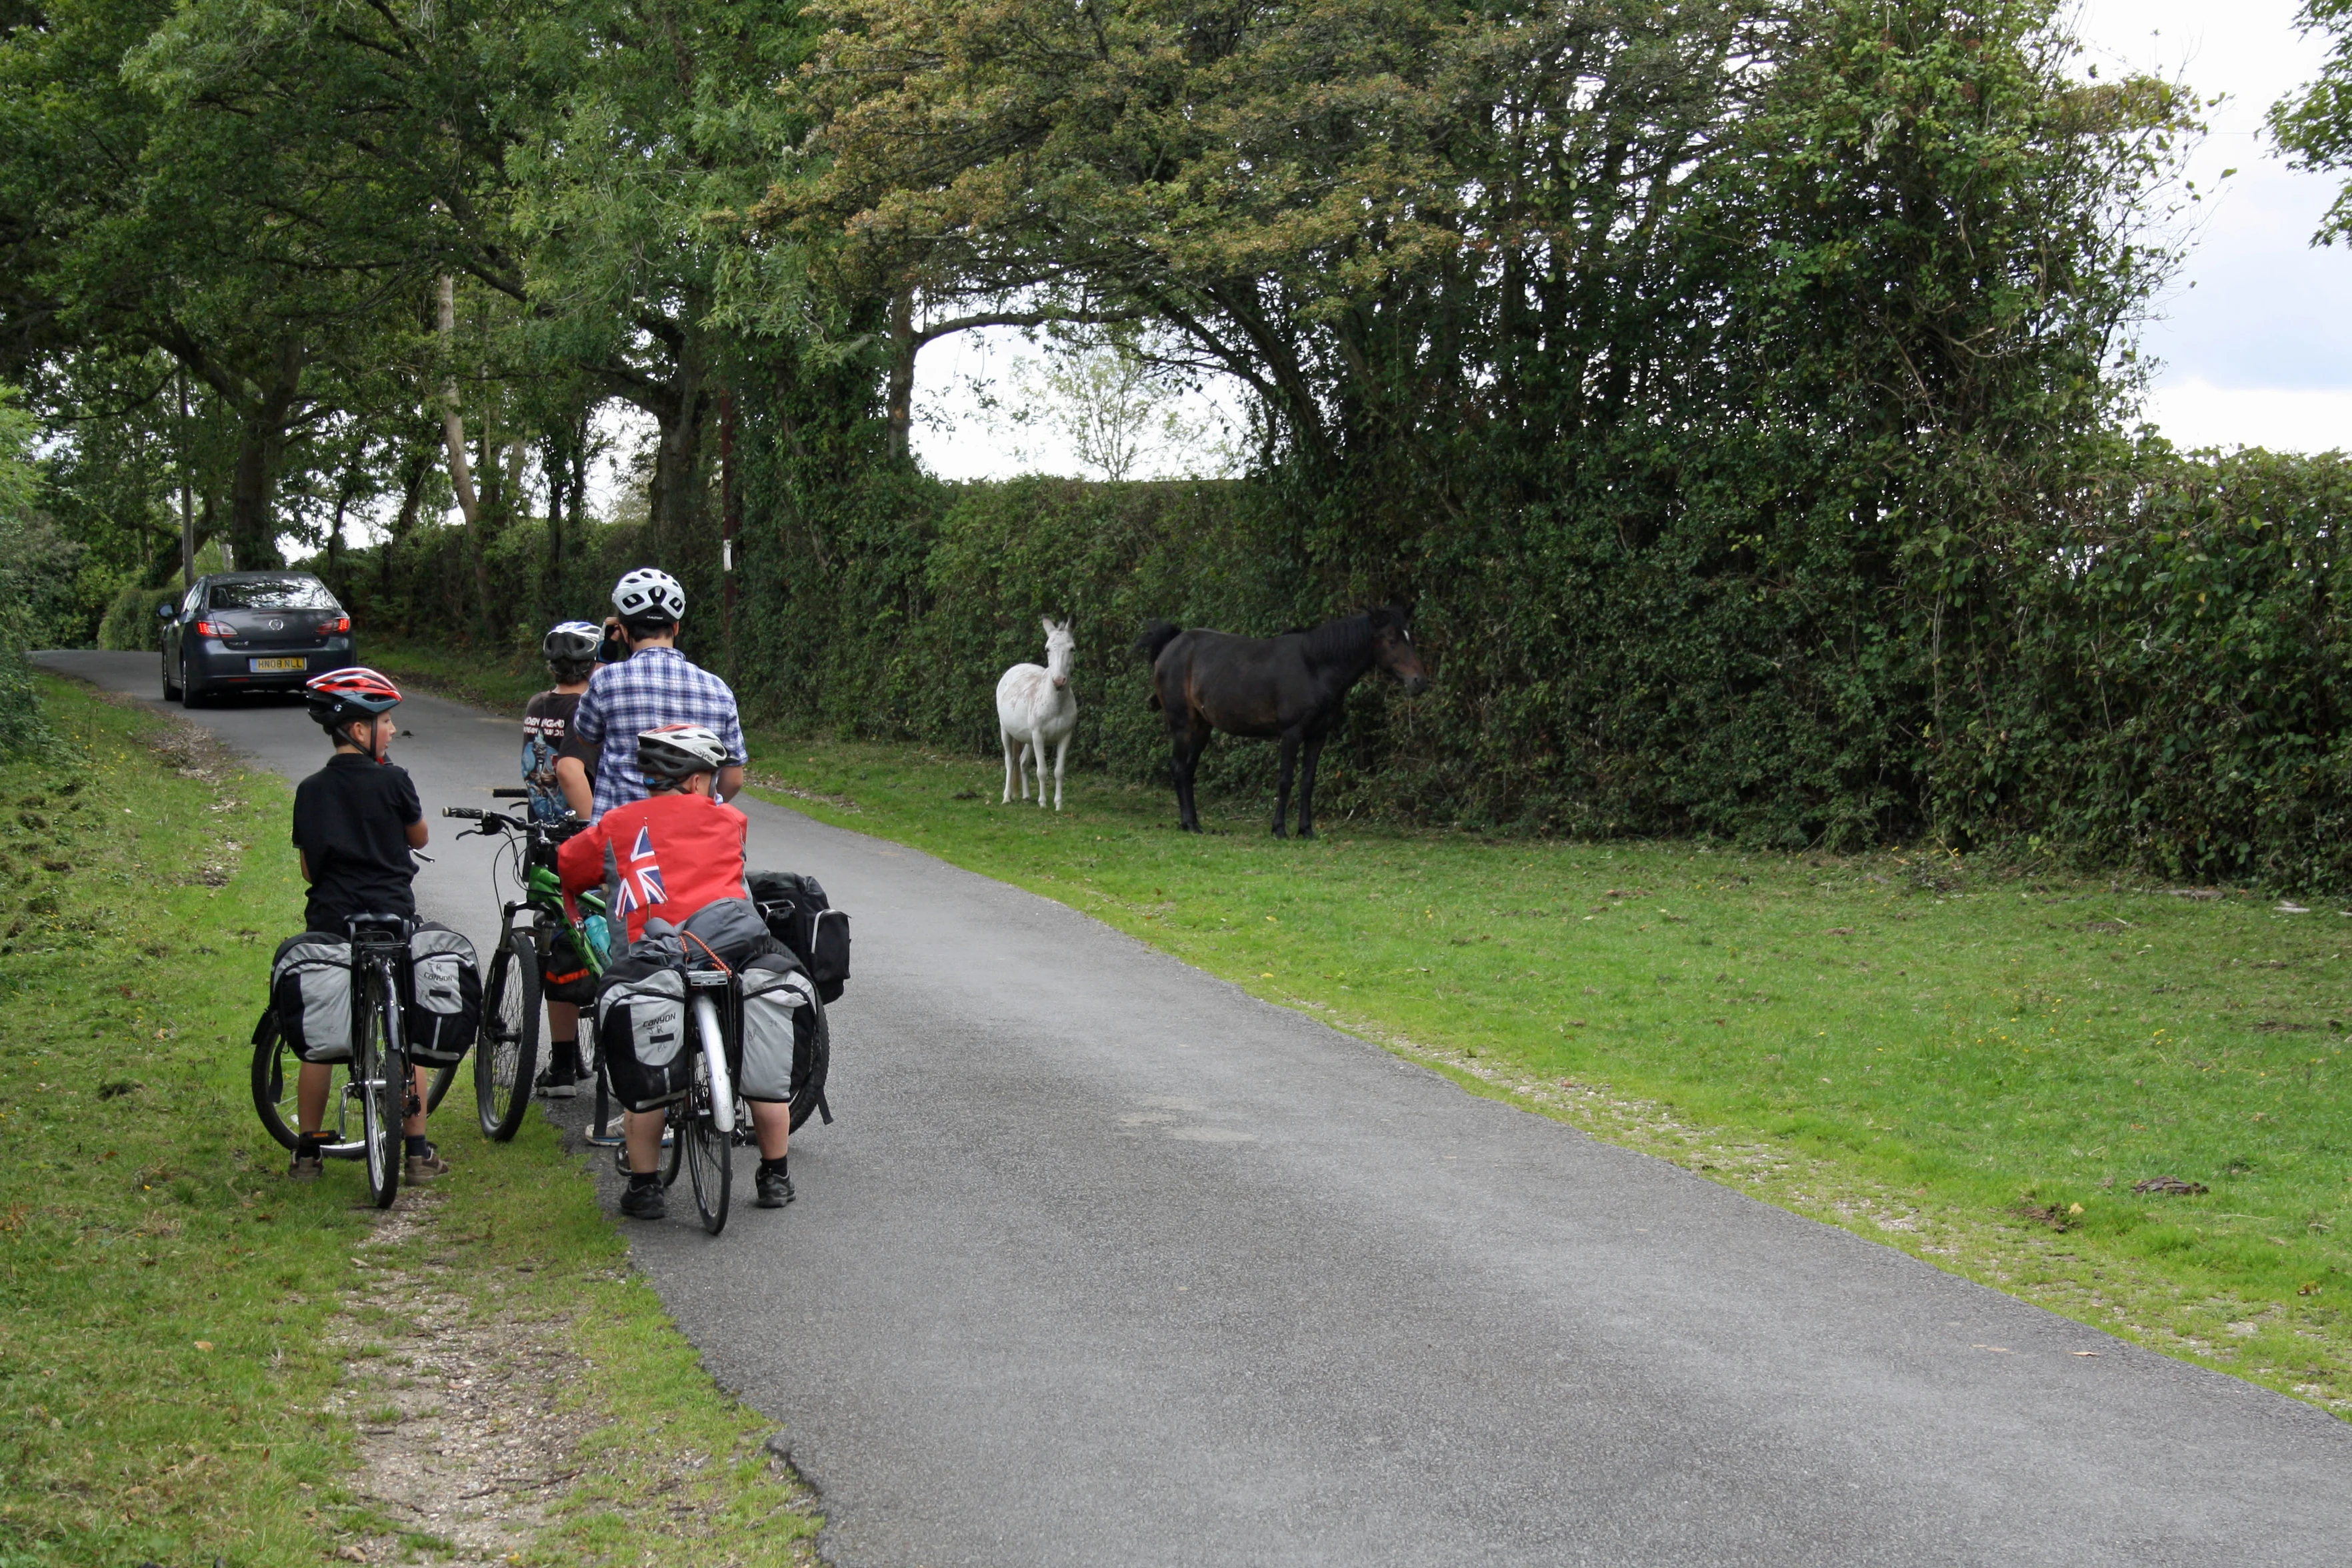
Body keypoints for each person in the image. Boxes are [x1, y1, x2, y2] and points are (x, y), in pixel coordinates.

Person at [557, 724, 800, 1219]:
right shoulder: (731, 819)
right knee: (756, 1053)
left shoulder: (619, 823)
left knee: (650, 1061)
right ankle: (776, 1176)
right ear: (694, 782)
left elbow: (571, 868)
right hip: (728, 954)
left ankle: (645, 1188)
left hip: (655, 958)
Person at [287, 667, 443, 1185]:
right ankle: (416, 1151)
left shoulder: (310, 790)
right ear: (359, 729)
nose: (394, 730)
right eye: (386, 720)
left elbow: (310, 869)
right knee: (406, 1022)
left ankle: (308, 1152)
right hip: (391, 918)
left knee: (324, 1035)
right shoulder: (394, 779)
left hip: (333, 921)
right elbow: (418, 837)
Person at [558, 568, 746, 823]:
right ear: (676, 627)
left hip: (623, 842)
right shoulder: (719, 689)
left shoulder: (607, 680)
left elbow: (586, 736)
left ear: (623, 631)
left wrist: (604, 658)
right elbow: (734, 779)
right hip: (691, 841)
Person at [522, 621, 603, 1097]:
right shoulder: (586, 709)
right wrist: (596, 825)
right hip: (578, 837)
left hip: (542, 836)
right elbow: (573, 772)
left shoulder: (538, 706)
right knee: (585, 939)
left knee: (553, 939)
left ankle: (564, 1060)